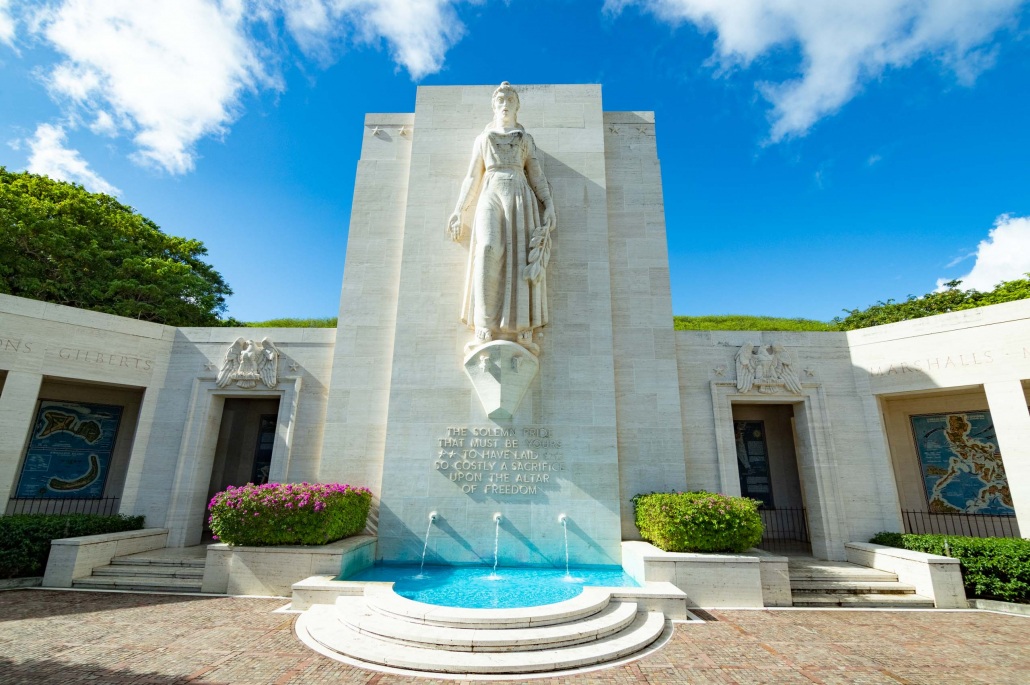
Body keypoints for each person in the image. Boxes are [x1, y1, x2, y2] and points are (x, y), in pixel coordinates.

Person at [448, 82, 556, 356]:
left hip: (520, 194)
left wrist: (549, 204)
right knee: (486, 248)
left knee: (520, 257)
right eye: (500, 100)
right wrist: (459, 209)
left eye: (510, 99)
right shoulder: (483, 139)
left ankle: (522, 328)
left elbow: (536, 175)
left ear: (517, 106)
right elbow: (473, 176)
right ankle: (483, 324)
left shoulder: (525, 139)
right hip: (491, 190)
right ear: (494, 105)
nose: (505, 103)